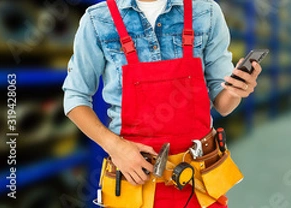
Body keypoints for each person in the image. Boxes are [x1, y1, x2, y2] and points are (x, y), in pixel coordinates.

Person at [62, 0, 260, 207]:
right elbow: (75, 97)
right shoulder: (98, 20)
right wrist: (115, 147)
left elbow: (224, 104)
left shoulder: (206, 12)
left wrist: (236, 89)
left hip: (199, 180)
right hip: (136, 177)